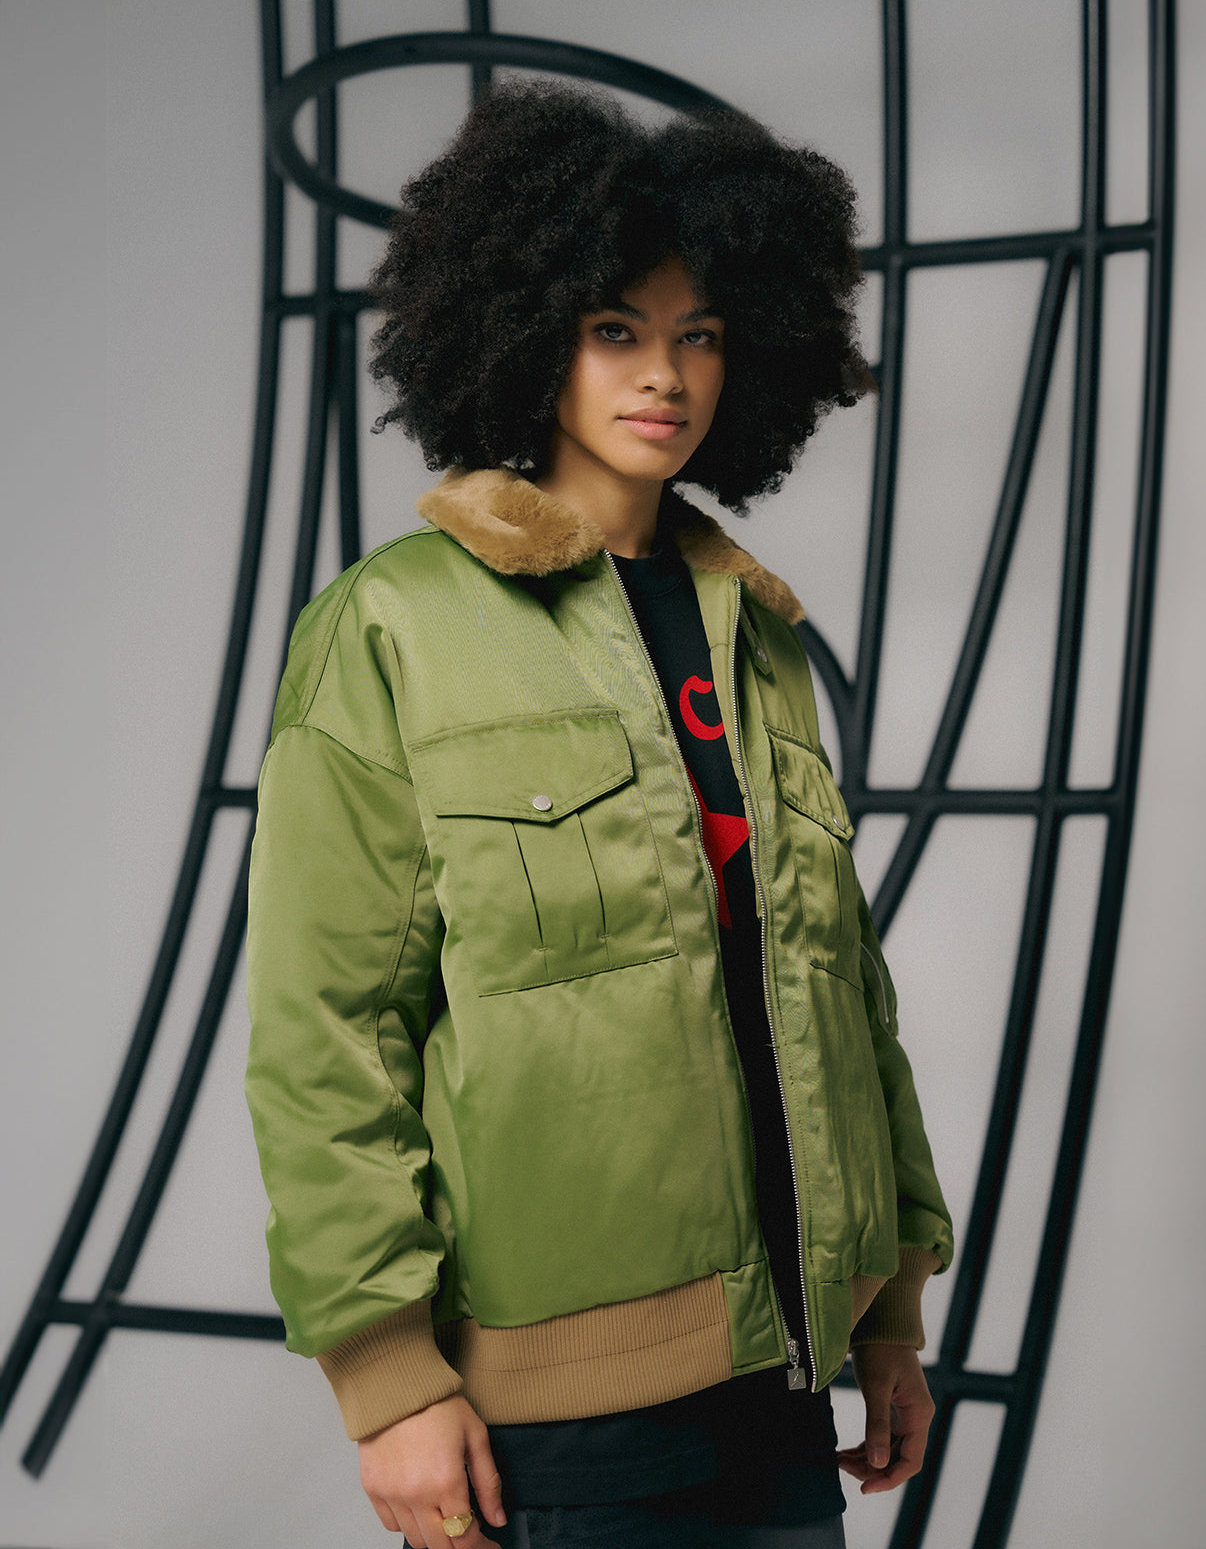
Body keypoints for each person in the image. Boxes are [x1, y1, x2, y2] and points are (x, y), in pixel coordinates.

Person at [245, 81, 952, 1549]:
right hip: (551, 1418)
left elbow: (842, 995)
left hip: (781, 1390)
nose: (667, 376)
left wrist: (890, 1313)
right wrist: (386, 1379)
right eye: (618, 330)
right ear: (526, 335)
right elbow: (328, 1030)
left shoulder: (759, 637)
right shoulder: (394, 625)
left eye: (702, 334)